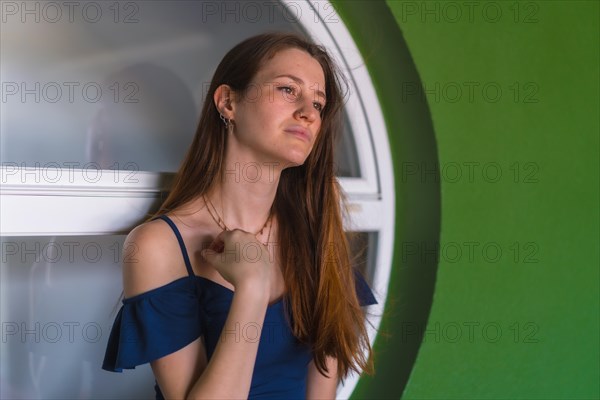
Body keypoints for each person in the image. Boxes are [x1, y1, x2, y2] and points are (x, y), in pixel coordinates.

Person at [102, 31, 377, 399]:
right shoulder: (159, 246)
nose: (308, 113)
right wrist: (251, 287)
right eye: (287, 90)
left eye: (318, 103)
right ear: (228, 102)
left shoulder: (317, 229)